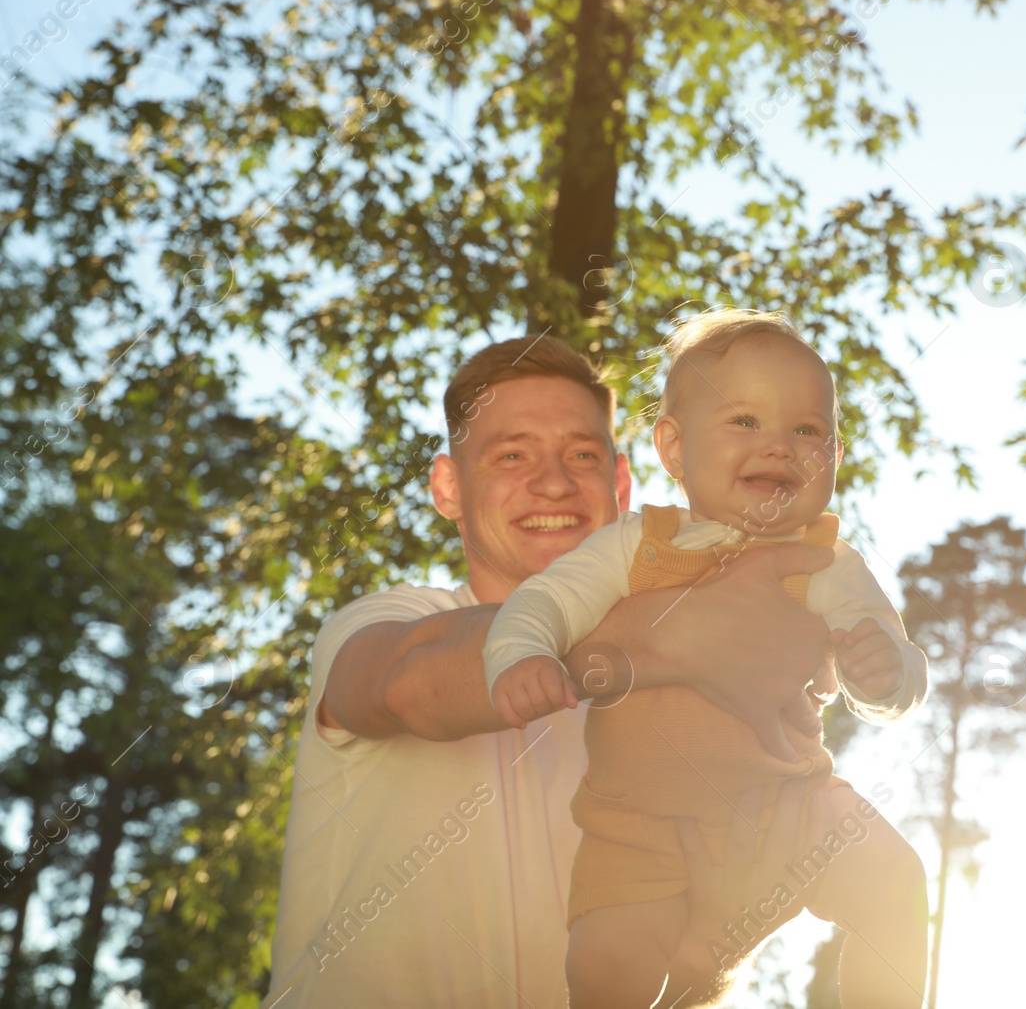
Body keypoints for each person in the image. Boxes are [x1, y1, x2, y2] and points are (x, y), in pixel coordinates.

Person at [265, 334, 923, 1007]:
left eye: (582, 454)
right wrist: (674, 633)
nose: (553, 481)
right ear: (448, 486)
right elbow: (409, 683)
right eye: (511, 454)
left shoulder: (699, 711)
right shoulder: (391, 617)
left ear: (621, 483)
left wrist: (717, 952)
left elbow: (675, 983)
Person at [486, 309, 931, 1009]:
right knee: (606, 967)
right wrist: (519, 657)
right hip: (637, 830)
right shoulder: (635, 545)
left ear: (835, 457)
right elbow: (546, 603)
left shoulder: (826, 562)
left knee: (897, 882)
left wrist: (885, 674)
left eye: (807, 430)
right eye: (744, 421)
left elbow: (896, 662)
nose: (780, 445)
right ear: (672, 445)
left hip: (791, 806)